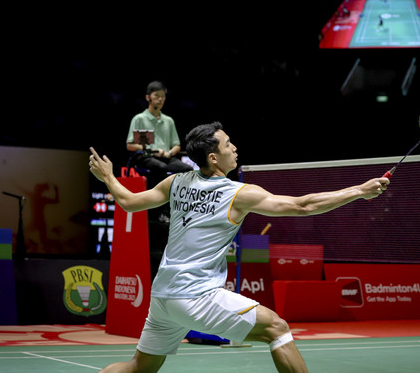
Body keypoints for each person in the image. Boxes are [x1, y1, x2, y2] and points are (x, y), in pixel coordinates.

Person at [89, 122, 389, 373]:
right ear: (213, 157)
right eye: (227, 144)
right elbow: (303, 206)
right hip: (196, 295)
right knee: (277, 328)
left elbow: (128, 202)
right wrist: (359, 191)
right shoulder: (239, 194)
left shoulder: (177, 182)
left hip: (164, 296)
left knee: (139, 368)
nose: (234, 147)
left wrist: (108, 177)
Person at [126, 80, 192, 184]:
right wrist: (153, 151)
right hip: (145, 157)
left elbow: (176, 146)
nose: (160, 99)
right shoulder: (139, 119)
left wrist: (169, 153)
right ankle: (157, 198)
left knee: (187, 169)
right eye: (156, 96)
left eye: (163, 96)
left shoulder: (168, 121)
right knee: (160, 168)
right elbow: (130, 145)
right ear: (148, 98)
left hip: (165, 157)